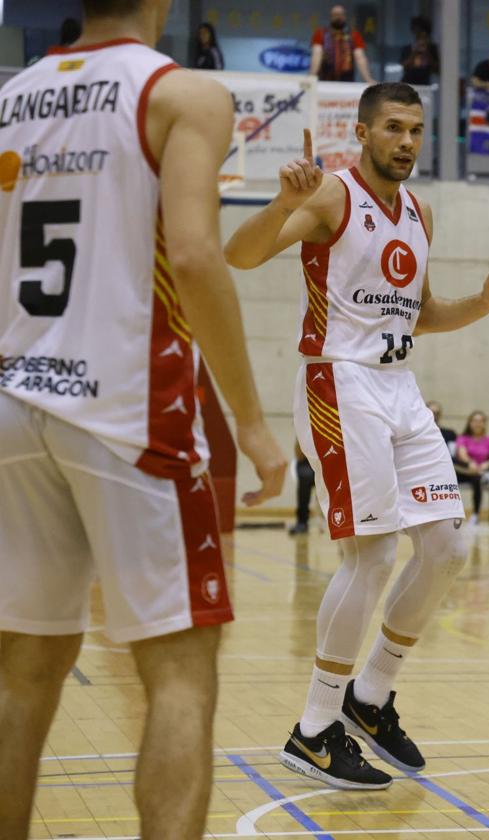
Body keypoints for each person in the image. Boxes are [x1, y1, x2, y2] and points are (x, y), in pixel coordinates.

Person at [0, 0, 287, 836]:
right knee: (180, 671)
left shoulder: (13, 96)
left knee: (22, 674)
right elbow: (195, 255)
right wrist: (254, 423)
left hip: (16, 399)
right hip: (128, 407)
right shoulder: (180, 94)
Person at [224, 84, 489, 788]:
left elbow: (416, 314)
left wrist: (484, 303)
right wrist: (278, 203)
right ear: (362, 131)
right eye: (393, 128)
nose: (407, 141)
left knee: (450, 544)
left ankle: (369, 697)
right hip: (338, 379)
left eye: (417, 130)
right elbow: (239, 256)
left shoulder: (420, 212)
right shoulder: (331, 195)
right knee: (371, 555)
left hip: (398, 386)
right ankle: (312, 729)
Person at [311, 4, 375, 84]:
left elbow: (360, 57)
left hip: (346, 83)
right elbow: (316, 55)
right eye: (336, 14)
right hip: (324, 81)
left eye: (341, 14)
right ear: (331, 16)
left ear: (345, 16)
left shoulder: (354, 35)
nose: (339, 17)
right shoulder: (321, 33)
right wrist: (311, 76)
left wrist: (367, 79)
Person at [455, 410, 489, 523]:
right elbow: (462, 455)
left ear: (484, 424)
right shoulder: (463, 438)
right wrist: (470, 462)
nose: (477, 424)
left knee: (477, 480)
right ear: (469, 423)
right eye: (474, 421)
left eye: (480, 421)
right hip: (465, 471)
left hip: (480, 473)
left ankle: (475, 514)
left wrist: (486, 463)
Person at [399, 16, 439, 86]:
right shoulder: (409, 48)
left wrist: (427, 53)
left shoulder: (431, 49)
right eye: (418, 35)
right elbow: (404, 67)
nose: (421, 38)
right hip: (408, 83)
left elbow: (436, 69)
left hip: (424, 85)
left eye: (424, 36)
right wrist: (414, 52)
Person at [290, 442, 316, 536]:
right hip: (306, 463)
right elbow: (298, 455)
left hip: (325, 459)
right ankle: (302, 523)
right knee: (304, 479)